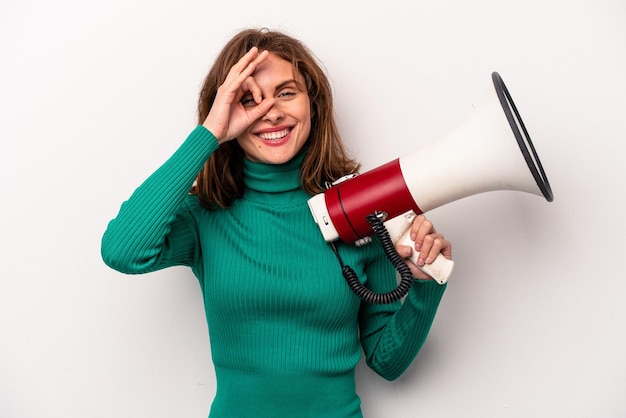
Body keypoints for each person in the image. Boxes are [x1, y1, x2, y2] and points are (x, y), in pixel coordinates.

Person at [101, 28, 452, 418]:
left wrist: (424, 285)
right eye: (247, 100)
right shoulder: (205, 215)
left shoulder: (359, 210)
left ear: (313, 104)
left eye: (286, 92)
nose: (270, 111)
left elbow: (388, 363)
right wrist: (210, 134)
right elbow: (122, 251)